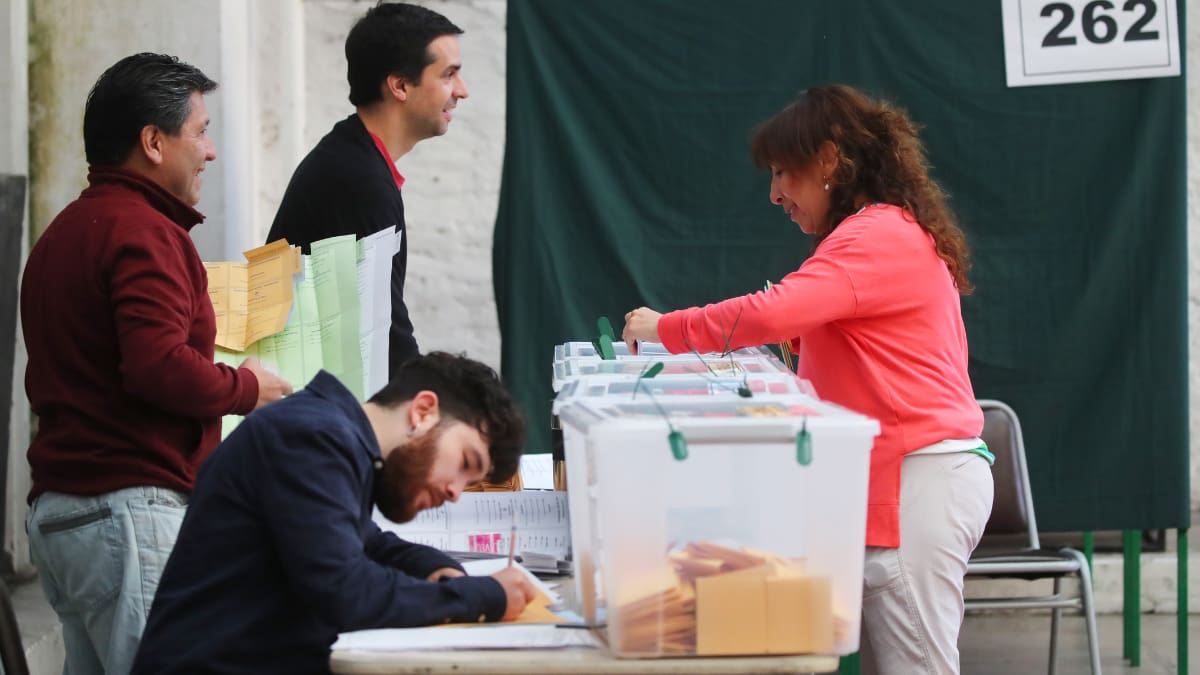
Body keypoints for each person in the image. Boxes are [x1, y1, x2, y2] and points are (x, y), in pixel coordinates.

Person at [621, 85, 993, 675]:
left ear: (828, 159)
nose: (774, 194)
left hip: (914, 482)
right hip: (906, 480)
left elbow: (771, 314)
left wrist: (664, 327)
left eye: (782, 174)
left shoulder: (875, 237)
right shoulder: (879, 233)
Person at [20, 52, 292, 675]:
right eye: (199, 131)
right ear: (152, 142)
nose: (211, 150)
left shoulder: (68, 229)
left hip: (68, 517)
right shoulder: (143, 231)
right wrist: (249, 388)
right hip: (127, 515)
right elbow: (158, 366)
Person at [131, 352, 536, 674]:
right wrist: (483, 596)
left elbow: (363, 540)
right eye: (465, 462)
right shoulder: (313, 438)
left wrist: (432, 566)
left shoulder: (332, 435)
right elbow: (346, 590)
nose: (455, 493)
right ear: (423, 410)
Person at [267, 2, 470, 379]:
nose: (463, 91)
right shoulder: (357, 180)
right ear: (400, 86)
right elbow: (384, 336)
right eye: (449, 75)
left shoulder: (354, 159)